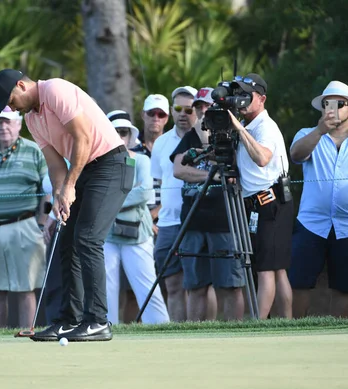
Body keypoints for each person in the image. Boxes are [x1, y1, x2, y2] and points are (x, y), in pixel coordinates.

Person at [0, 69, 133, 341]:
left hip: (113, 164)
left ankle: (98, 321)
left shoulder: (56, 90)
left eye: (9, 100)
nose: (10, 107)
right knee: (66, 240)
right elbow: (55, 164)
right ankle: (68, 320)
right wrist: (59, 195)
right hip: (88, 169)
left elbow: (83, 138)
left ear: (21, 85)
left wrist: (69, 186)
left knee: (88, 238)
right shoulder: (32, 119)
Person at [288, 81, 348, 318]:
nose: (335, 109)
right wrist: (319, 131)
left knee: (343, 286)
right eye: (329, 104)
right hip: (311, 224)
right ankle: (294, 336)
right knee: (299, 283)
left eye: (341, 104)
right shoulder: (307, 134)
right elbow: (296, 155)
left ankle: (339, 337)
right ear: (322, 108)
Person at [0, 103, 48, 329]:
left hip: (23, 225)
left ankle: (28, 335)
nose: (3, 126)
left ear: (18, 123)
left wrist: (40, 225)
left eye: (7, 121)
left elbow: (47, 191)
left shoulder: (34, 150)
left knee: (25, 288)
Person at [172, 87, 245, 321]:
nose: (204, 111)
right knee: (195, 284)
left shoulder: (232, 134)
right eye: (199, 107)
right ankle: (195, 332)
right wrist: (212, 176)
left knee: (230, 284)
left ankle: (235, 332)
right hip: (193, 220)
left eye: (207, 106)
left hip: (224, 220)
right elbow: (179, 169)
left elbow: (236, 169)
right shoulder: (190, 137)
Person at [227, 73, 294, 319]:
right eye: (238, 94)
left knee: (268, 269)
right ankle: (286, 322)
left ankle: (258, 323)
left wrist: (237, 128)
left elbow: (262, 158)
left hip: (272, 202)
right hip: (257, 203)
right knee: (275, 270)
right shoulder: (248, 126)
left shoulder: (265, 126)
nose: (241, 99)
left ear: (262, 98)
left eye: (247, 95)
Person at [104, 110, 169, 325]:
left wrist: (110, 203)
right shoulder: (99, 163)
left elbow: (145, 192)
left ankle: (161, 330)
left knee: (148, 287)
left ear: (129, 136)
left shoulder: (141, 160)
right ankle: (105, 330)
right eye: (114, 131)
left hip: (138, 233)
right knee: (106, 288)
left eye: (123, 132)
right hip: (107, 234)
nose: (119, 136)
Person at [151, 85, 198, 322]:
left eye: (188, 109)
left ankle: (200, 331)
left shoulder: (204, 138)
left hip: (197, 220)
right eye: (178, 108)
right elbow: (158, 183)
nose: (182, 113)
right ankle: (176, 330)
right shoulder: (161, 143)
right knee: (172, 283)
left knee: (197, 284)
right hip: (168, 221)